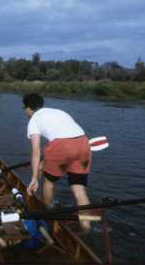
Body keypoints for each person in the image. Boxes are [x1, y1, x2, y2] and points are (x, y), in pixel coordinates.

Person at [22, 93, 92, 232]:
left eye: (24, 108)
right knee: (79, 190)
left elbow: (36, 152)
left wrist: (35, 178)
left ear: (29, 108)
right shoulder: (59, 111)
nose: (24, 111)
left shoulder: (34, 120)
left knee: (48, 182)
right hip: (83, 143)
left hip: (62, 146)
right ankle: (86, 228)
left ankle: (50, 215)